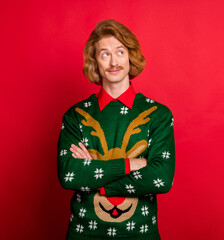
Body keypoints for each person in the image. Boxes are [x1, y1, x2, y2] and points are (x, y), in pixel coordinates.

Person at [57, 19, 175, 240]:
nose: (113, 62)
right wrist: (133, 164)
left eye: (120, 52)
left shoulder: (158, 114)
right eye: (105, 54)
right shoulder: (76, 115)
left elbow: (161, 178)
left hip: (141, 235)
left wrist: (95, 173)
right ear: (96, 63)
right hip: (84, 234)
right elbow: (69, 176)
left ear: (131, 57)